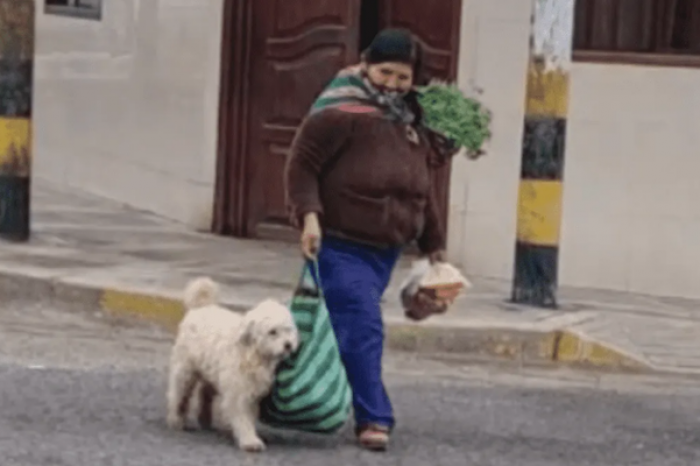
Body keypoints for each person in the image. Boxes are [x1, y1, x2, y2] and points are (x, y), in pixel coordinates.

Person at [284, 28, 454, 451]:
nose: (392, 84)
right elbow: (300, 167)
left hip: (386, 249)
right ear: (365, 64)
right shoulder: (339, 111)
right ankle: (374, 417)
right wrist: (309, 219)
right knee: (363, 325)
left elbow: (422, 188)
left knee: (346, 328)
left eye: (402, 77)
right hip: (339, 242)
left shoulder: (410, 120)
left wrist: (434, 245)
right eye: (385, 72)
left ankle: (273, 395)